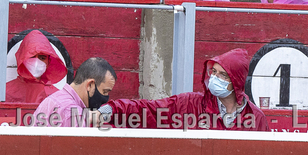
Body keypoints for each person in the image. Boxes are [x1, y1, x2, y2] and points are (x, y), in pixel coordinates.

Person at [105, 48, 267, 131]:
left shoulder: (256, 118)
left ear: (236, 81)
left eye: (223, 75)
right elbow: (151, 110)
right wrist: (113, 109)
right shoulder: (189, 104)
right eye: (214, 72)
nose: (215, 78)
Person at [33, 57, 116, 127]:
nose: (105, 98)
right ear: (90, 85)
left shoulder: (58, 98)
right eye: (104, 92)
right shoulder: (73, 114)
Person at [6, 30, 67, 105]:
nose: (36, 62)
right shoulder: (6, 92)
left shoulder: (56, 96)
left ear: (48, 62)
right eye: (32, 57)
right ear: (23, 58)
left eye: (42, 58)